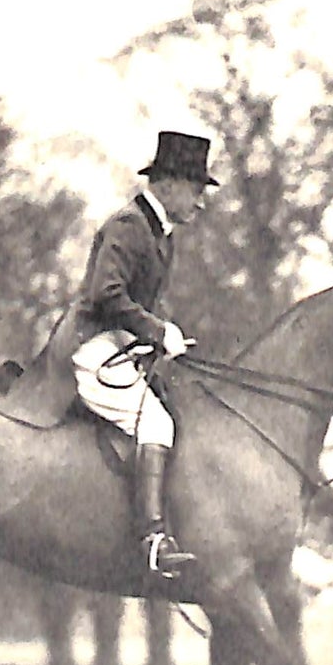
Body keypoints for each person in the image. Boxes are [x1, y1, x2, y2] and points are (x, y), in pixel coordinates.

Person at [64, 130, 218, 577]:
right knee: (156, 422)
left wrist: (165, 337)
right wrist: (156, 330)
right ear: (167, 184)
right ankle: (150, 538)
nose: (200, 202)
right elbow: (105, 293)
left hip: (121, 344)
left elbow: (139, 300)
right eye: (195, 188)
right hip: (90, 344)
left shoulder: (160, 233)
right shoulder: (129, 226)